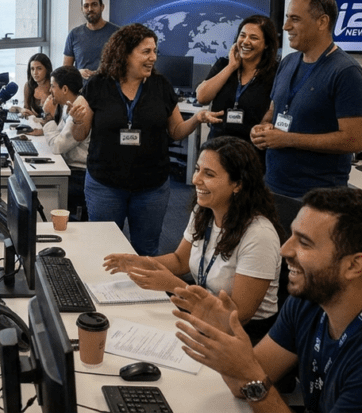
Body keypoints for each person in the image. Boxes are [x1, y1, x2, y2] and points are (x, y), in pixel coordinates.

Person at [170, 187, 362, 412]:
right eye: (292, 236)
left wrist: (249, 375)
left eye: (304, 243)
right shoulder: (310, 300)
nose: (285, 250)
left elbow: (252, 382)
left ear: (354, 266)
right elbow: (245, 385)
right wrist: (228, 338)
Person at [103, 136, 283, 343]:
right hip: (201, 312)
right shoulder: (204, 211)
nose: (196, 179)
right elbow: (180, 260)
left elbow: (238, 317)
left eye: (209, 174)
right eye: (198, 169)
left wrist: (175, 286)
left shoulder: (259, 235)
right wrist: (142, 263)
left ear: (237, 184)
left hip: (243, 333)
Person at [72, 24, 222, 255]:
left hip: (151, 187)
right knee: (104, 250)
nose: (153, 57)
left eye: (154, 51)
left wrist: (197, 119)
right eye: (146, 52)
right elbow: (79, 135)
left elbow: (176, 131)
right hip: (105, 184)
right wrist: (78, 121)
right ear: (124, 53)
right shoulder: (98, 85)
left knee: (146, 250)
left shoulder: (160, 86)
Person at [249, 0, 362, 199]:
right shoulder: (288, 62)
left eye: (295, 19)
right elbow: (274, 109)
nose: (285, 26)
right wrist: (263, 129)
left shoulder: (346, 72)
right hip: (273, 186)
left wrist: (287, 139)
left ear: (322, 22)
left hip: (317, 197)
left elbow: (353, 141)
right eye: (287, 18)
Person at [196, 15, 279, 158]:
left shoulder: (275, 72)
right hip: (217, 149)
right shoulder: (223, 64)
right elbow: (202, 97)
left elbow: (276, 107)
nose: (246, 41)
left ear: (266, 44)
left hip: (250, 153)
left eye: (253, 37)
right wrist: (231, 66)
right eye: (243, 35)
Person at [40, 65, 89, 221]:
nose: (50, 91)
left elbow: (57, 146)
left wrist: (48, 115)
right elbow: (59, 136)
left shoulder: (79, 108)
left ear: (65, 89)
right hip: (71, 168)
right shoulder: (69, 105)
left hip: (78, 174)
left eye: (53, 87)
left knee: (39, 185)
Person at [62, 0, 119, 80]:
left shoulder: (117, 33)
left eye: (94, 4)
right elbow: (65, 68)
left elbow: (126, 64)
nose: (90, 9)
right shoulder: (74, 34)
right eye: (86, 6)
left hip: (110, 89)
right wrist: (78, 72)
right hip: (82, 91)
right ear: (82, 9)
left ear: (102, 7)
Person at [20, 52, 52, 121]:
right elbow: (26, 109)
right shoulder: (28, 86)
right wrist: (24, 112)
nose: (35, 73)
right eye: (32, 69)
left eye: (39, 68)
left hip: (52, 127)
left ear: (47, 69)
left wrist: (33, 116)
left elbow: (55, 118)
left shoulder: (54, 87)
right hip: (35, 125)